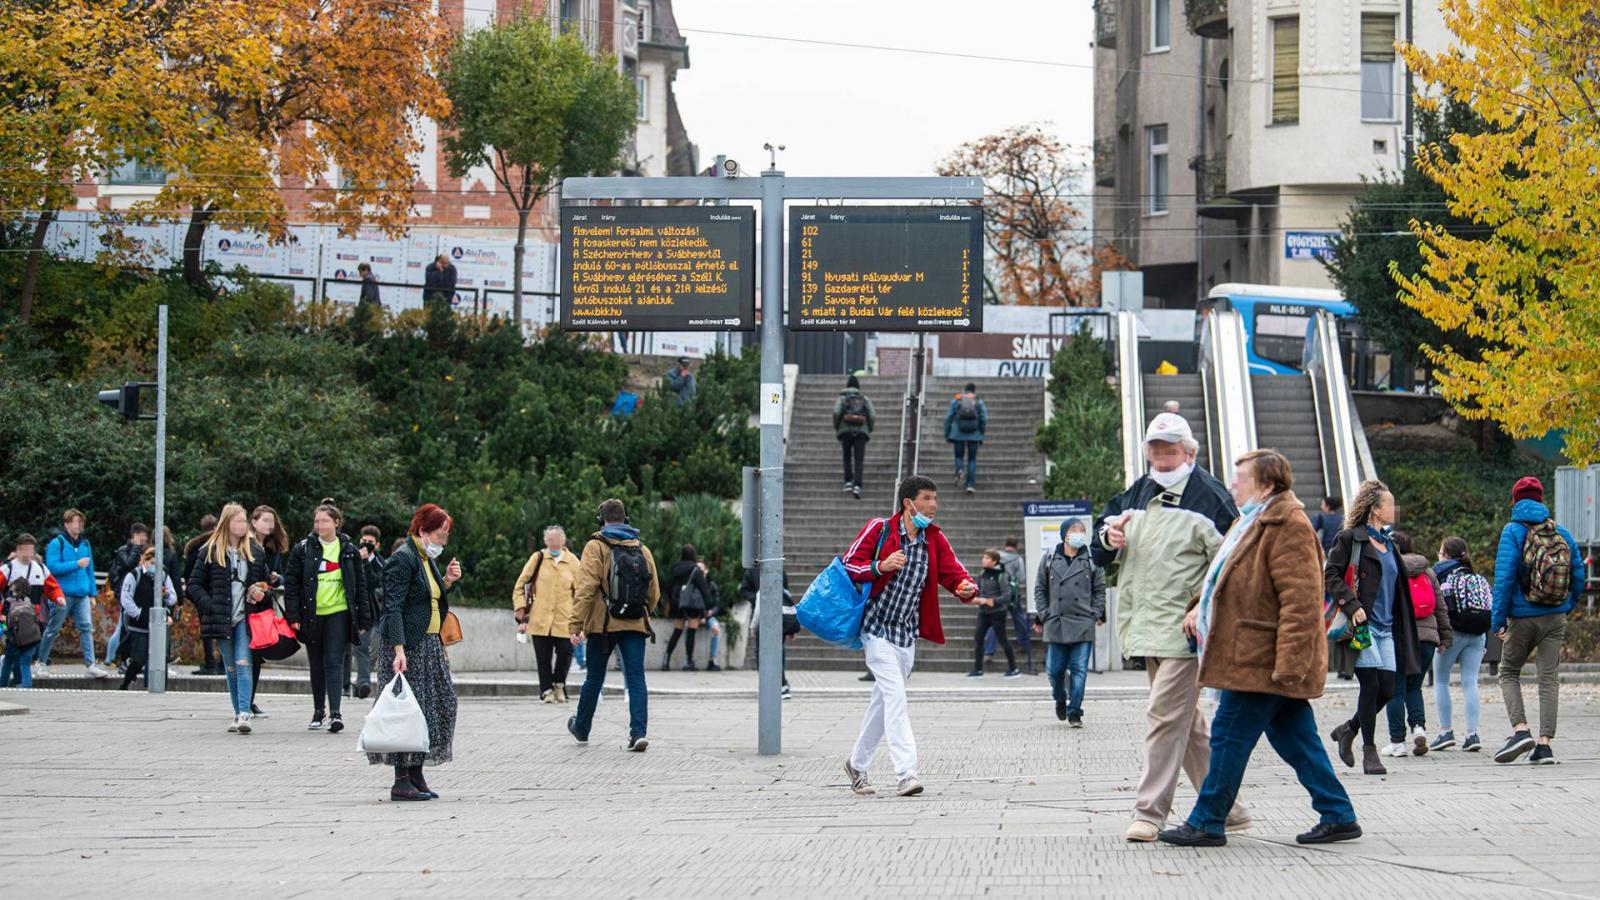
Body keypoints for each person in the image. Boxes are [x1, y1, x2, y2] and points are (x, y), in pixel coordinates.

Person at [1158, 450, 1361, 847]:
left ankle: (1207, 820)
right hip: (1255, 654)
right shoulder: (1249, 521)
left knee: (1228, 734)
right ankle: (1338, 813)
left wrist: (1289, 665)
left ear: (1267, 484)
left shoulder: (1288, 525)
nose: (1234, 484)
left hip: (1262, 658)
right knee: (1296, 739)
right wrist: (1200, 606)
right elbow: (1225, 576)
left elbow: (1301, 603)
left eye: (1242, 477)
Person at [1094, 413, 1246, 841]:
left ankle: (1149, 812)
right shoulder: (1136, 493)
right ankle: (1228, 807)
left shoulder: (1211, 498)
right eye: (1155, 448)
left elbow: (1233, 564)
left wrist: (1204, 607)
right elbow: (1097, 548)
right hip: (1144, 628)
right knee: (1188, 725)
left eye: (1170, 448)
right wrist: (1110, 539)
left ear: (1189, 451)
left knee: (1164, 717)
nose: (1161, 456)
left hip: (1187, 632)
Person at [840, 475, 978, 798]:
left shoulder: (934, 539)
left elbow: (954, 572)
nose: (933, 505)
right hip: (875, 629)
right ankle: (906, 773)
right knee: (896, 697)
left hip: (906, 635)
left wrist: (965, 588)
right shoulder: (880, 529)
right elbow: (849, 565)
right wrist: (880, 565)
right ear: (908, 503)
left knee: (884, 700)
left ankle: (856, 765)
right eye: (927, 498)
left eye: (935, 498)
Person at [1324, 479, 1423, 776]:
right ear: (1375, 510)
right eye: (1390, 504)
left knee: (1388, 689)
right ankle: (1369, 751)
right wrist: (1352, 606)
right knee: (1371, 685)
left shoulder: (1390, 545)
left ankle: (1348, 729)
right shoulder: (1350, 539)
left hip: (1387, 628)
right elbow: (1330, 575)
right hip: (1363, 625)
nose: (1395, 509)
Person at [1489, 476, 1585, 765]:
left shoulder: (1512, 531)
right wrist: (1567, 606)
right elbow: (1578, 574)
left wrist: (1498, 621)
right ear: (1542, 500)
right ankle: (1544, 745)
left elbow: (1504, 579)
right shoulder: (1562, 533)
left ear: (1515, 501)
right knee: (1548, 679)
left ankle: (1521, 731)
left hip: (1522, 616)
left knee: (1508, 672)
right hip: (1555, 616)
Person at [371, 503, 462, 801]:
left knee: (437, 706)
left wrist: (447, 581)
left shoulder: (423, 557)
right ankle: (401, 780)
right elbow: (393, 606)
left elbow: (426, 598)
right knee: (407, 711)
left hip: (429, 643)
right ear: (423, 531)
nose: (442, 542)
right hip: (408, 645)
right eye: (439, 535)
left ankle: (416, 772)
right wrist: (398, 649)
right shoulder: (404, 558)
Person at [567, 499, 662, 752]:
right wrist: (640, 611)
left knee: (594, 678)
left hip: (603, 625)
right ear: (625, 518)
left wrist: (575, 623)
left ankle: (582, 728)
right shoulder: (642, 548)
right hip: (635, 624)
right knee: (636, 678)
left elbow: (586, 588)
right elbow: (654, 592)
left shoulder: (596, 546)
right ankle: (637, 734)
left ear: (602, 520)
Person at [283, 499, 369, 735]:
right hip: (312, 614)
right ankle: (318, 710)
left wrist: (363, 619)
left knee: (334, 661)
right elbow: (291, 583)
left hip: (338, 614)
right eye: (317, 521)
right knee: (317, 664)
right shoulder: (303, 549)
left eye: (324, 520)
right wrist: (293, 615)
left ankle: (336, 713)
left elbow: (360, 586)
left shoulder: (349, 550)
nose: (319, 525)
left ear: (336, 522)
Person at [187, 503, 275, 734]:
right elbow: (194, 586)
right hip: (222, 617)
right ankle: (238, 713)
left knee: (243, 662)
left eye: (244, 520)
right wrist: (210, 606)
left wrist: (261, 591)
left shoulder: (255, 551)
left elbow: (265, 584)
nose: (242, 525)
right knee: (231, 667)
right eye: (237, 521)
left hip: (245, 617)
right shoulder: (210, 551)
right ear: (226, 523)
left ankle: (244, 713)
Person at [1381, 531, 1452, 758]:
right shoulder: (1428, 571)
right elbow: (1440, 607)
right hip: (1427, 639)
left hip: (1400, 637)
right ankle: (1418, 728)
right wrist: (1445, 637)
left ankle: (1397, 742)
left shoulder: (1390, 569)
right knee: (1415, 686)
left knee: (1395, 689)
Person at [1033, 520, 1105, 726]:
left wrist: (1095, 612)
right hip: (1056, 621)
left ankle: (1075, 711)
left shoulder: (1092, 559)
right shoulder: (1049, 558)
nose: (1079, 534)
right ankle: (1059, 699)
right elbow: (1040, 588)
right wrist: (1045, 613)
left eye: (1082, 531)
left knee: (1079, 669)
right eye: (1074, 531)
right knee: (1054, 671)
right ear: (1064, 534)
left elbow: (1100, 589)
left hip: (1083, 621)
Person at [1430, 537, 1490, 753]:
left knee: (1441, 680)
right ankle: (1472, 734)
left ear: (1446, 556)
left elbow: (1440, 609)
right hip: (1478, 634)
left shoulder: (1442, 577)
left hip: (1453, 634)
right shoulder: (1478, 578)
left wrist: (1442, 638)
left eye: (1439, 552)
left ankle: (1446, 731)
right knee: (1470, 682)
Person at [512, 525, 581, 703]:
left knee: (566, 652)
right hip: (540, 618)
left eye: (557, 539)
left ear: (563, 541)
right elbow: (521, 584)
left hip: (564, 618)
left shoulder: (572, 561)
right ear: (545, 541)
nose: (554, 543)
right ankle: (546, 690)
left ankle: (559, 684)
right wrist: (520, 607)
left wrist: (581, 615)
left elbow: (582, 590)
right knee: (543, 658)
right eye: (550, 540)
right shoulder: (538, 558)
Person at [40, 508, 109, 678]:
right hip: (61, 593)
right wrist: (76, 564)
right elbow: (52, 567)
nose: (78, 525)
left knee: (86, 627)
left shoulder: (85, 544)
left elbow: (90, 570)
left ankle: (90, 664)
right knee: (53, 629)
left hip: (82, 594)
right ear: (67, 524)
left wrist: (92, 593)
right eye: (75, 522)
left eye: (80, 522)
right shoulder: (57, 543)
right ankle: (41, 662)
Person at [1, 534, 63, 688]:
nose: (27, 553)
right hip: (10, 620)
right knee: (14, 652)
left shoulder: (40, 568)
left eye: (30, 550)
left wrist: (59, 598)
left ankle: (18, 684)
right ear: (18, 550)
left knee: (21, 654)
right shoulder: (8, 568)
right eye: (24, 549)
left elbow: (52, 587)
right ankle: (16, 684)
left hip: (31, 620)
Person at [115, 547, 177, 690]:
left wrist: (166, 595)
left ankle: (157, 686)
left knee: (160, 658)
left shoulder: (163, 576)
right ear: (145, 560)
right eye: (151, 562)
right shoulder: (134, 575)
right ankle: (125, 684)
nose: (154, 566)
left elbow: (172, 598)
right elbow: (126, 599)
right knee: (139, 657)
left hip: (158, 624)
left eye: (157, 563)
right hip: (140, 624)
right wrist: (138, 614)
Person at [247, 505, 289, 716]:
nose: (269, 525)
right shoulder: (246, 546)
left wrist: (275, 578)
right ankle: (244, 702)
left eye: (271, 521)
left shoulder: (272, 549)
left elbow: (282, 576)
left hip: (264, 605)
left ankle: (249, 700)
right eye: (265, 520)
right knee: (249, 654)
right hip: (248, 604)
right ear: (254, 522)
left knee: (257, 654)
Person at [345, 524, 386, 700]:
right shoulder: (351, 556)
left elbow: (373, 582)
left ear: (377, 545)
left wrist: (365, 561)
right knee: (357, 647)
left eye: (371, 542)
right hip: (356, 611)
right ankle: (361, 683)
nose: (366, 544)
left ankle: (360, 682)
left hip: (375, 612)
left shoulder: (380, 563)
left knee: (373, 650)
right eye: (364, 541)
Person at [104, 523, 152, 670]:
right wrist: (137, 548)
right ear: (135, 535)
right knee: (124, 628)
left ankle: (112, 657)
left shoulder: (141, 551)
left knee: (122, 627)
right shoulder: (124, 550)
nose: (145, 538)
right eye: (143, 535)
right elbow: (127, 564)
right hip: (126, 593)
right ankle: (114, 658)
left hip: (137, 594)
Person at [967, 549, 1020, 678]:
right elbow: (979, 591)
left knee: (1003, 640)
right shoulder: (982, 574)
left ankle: (1014, 668)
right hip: (983, 612)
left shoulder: (1001, 575)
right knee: (978, 638)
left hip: (997, 613)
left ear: (994, 561)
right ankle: (978, 669)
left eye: (987, 558)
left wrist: (991, 601)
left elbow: (1006, 596)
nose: (983, 560)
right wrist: (974, 597)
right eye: (983, 557)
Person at [662, 545, 712, 672]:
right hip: (692, 605)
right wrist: (709, 605)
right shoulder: (695, 570)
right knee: (691, 632)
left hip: (677, 603)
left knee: (677, 631)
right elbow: (703, 589)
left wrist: (671, 602)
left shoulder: (675, 568)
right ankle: (688, 662)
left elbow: (668, 586)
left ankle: (666, 660)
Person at [744, 564, 792, 694]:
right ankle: (778, 683)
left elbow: (786, 595)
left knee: (765, 652)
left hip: (768, 619)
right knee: (775, 651)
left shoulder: (762, 573)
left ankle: (775, 683)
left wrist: (753, 627)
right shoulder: (776, 570)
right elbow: (787, 595)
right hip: (778, 617)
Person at [183, 514, 220, 675]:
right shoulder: (220, 545)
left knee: (206, 631)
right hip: (219, 593)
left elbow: (188, 574)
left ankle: (210, 663)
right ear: (215, 527)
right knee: (223, 629)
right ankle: (222, 665)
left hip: (201, 596)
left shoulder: (195, 547)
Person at [834, 374, 876, 498]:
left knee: (847, 457)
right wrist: (869, 428)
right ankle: (857, 485)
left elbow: (836, 412)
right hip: (861, 432)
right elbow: (872, 414)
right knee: (859, 459)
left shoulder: (842, 398)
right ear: (858, 387)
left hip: (845, 430)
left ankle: (848, 482)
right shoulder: (864, 398)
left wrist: (838, 426)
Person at [944, 383, 987, 494]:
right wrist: (981, 432)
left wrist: (947, 433)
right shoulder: (978, 401)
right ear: (974, 390)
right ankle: (970, 485)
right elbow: (984, 418)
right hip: (974, 435)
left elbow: (948, 418)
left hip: (958, 434)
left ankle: (960, 470)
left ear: (965, 390)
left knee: (958, 456)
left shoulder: (957, 400)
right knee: (972, 459)